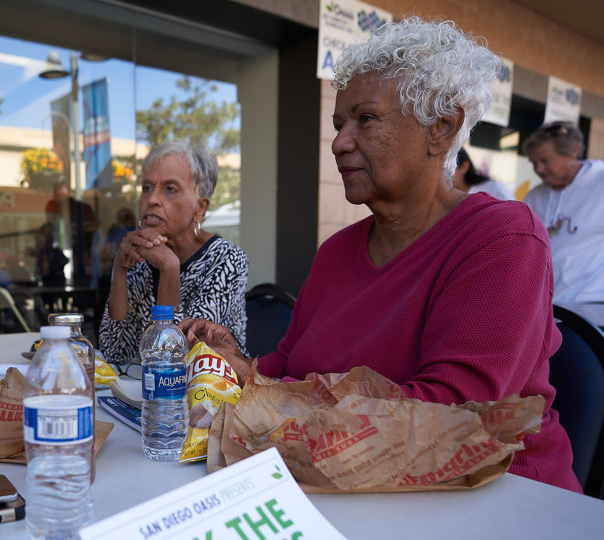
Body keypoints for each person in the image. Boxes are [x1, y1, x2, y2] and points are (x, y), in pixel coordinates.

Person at [182, 18, 581, 494]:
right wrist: (241, 363)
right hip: (345, 493)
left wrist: (271, 395)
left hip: (496, 504)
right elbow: (285, 368)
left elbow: (447, 418)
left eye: (365, 119)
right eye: (338, 124)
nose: (339, 142)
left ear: (441, 127)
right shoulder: (335, 252)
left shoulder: (503, 239)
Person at [99, 142, 248, 364]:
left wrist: (169, 268)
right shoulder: (139, 253)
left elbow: (179, 359)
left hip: (211, 392)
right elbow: (114, 352)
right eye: (147, 188)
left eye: (170, 189)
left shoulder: (227, 260)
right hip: (140, 390)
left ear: (200, 208)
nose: (151, 200)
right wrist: (120, 268)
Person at [522, 121, 604, 326]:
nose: (539, 169)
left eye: (545, 160)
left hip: (587, 310)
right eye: (533, 163)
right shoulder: (535, 196)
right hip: (542, 310)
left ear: (573, 151)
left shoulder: (600, 184)